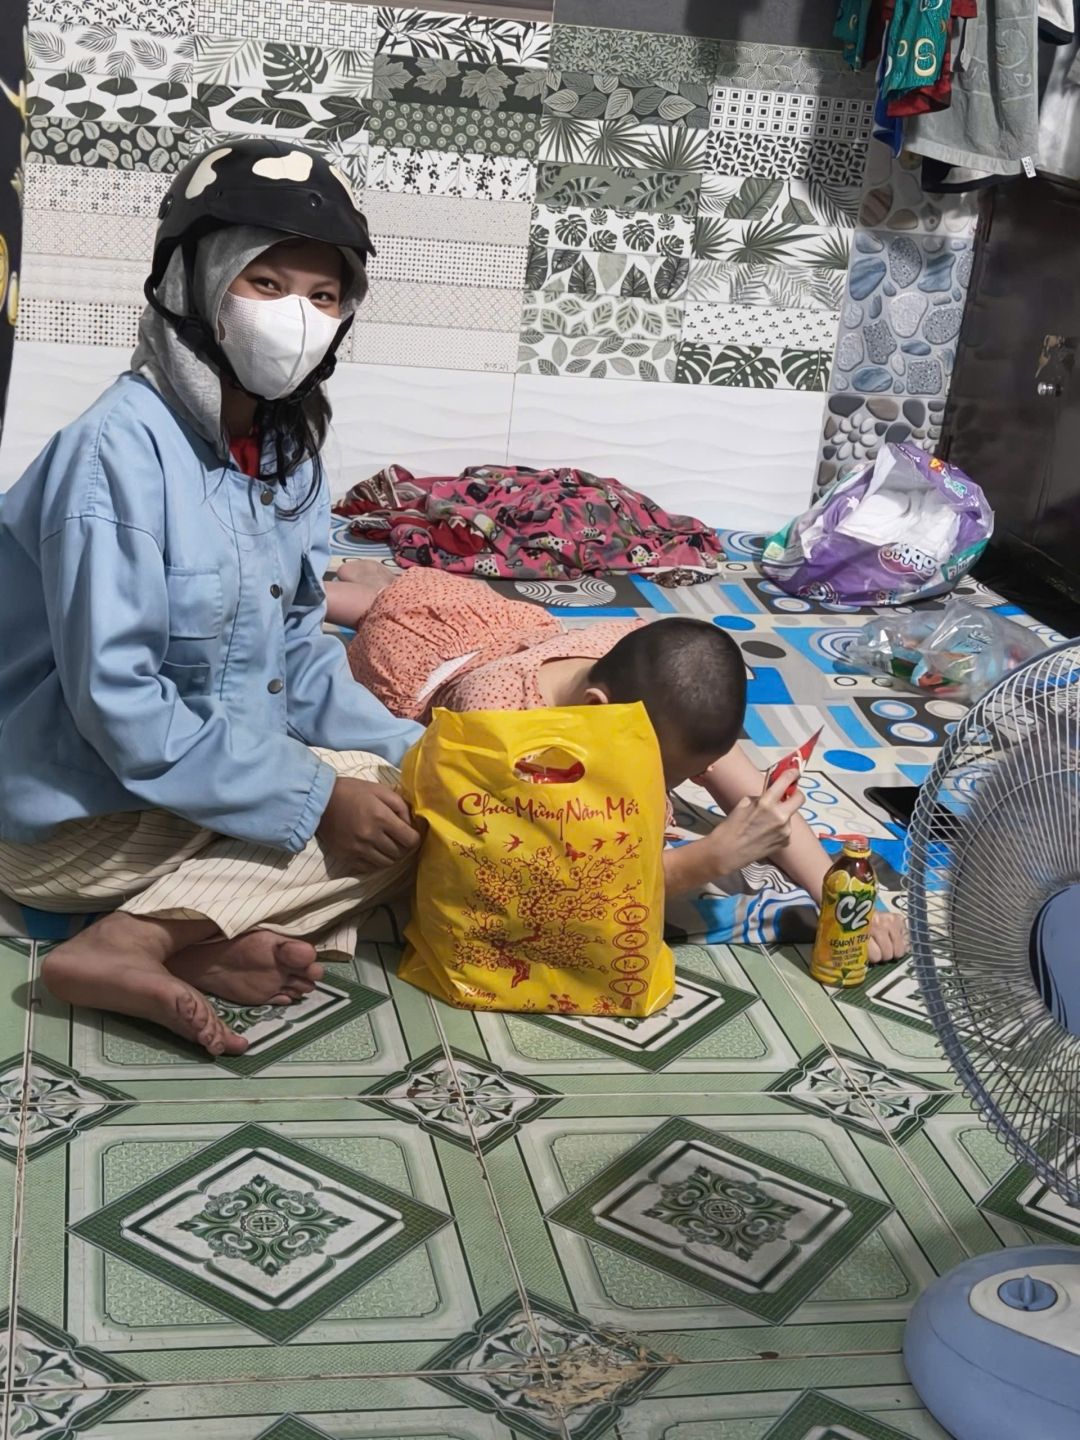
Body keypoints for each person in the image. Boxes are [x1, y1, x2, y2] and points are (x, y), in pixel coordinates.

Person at [0, 139, 426, 1056]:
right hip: (67, 815)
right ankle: (130, 940)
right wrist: (317, 794)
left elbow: (298, 653)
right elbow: (119, 705)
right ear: (193, 285)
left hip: (179, 791)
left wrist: (427, 752)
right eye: (266, 283)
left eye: (324, 296)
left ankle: (203, 945)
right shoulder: (113, 455)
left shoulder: (285, 454)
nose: (298, 318)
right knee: (382, 819)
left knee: (421, 795)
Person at [329, 564, 909, 963]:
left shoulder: (649, 680)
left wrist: (845, 898)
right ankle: (354, 588)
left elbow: (760, 797)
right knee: (370, 611)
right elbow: (536, 888)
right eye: (660, 775)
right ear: (594, 712)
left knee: (412, 594)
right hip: (424, 665)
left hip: (505, 627)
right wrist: (710, 858)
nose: (667, 792)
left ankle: (378, 582)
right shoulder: (499, 731)